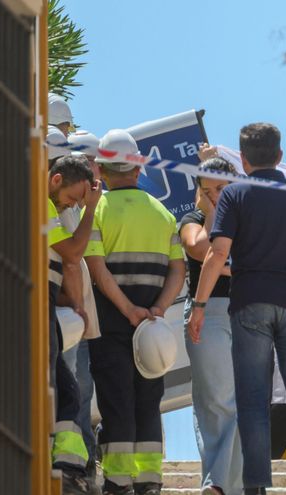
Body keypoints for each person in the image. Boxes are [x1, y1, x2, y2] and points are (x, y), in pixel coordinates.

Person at [188, 123, 286, 495]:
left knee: (253, 399)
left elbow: (217, 253)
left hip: (249, 305)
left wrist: (200, 305)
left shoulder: (235, 195)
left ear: (244, 159)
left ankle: (255, 485)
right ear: (280, 156)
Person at [84, 129, 186, 495]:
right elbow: (179, 269)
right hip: (152, 328)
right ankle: (149, 480)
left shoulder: (97, 212)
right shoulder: (162, 214)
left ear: (101, 168)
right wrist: (157, 308)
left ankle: (118, 481)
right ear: (139, 166)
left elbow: (96, 268)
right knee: (148, 400)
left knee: (117, 400)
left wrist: (127, 309)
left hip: (111, 323)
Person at [180, 154, 243, 495]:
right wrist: (210, 213)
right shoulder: (192, 218)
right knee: (216, 401)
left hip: (246, 314)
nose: (218, 195)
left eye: (223, 188)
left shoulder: (248, 220)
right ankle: (218, 484)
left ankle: (223, 486)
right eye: (210, 190)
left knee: (238, 403)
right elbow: (200, 248)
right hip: (209, 315)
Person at [47, 155, 101, 494]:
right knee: (61, 389)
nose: (74, 206)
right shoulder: (42, 205)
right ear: (56, 181)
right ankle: (63, 470)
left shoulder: (51, 207)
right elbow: (72, 254)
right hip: (38, 307)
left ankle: (66, 469)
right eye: (73, 197)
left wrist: (66, 302)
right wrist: (91, 209)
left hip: (48, 304)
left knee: (67, 391)